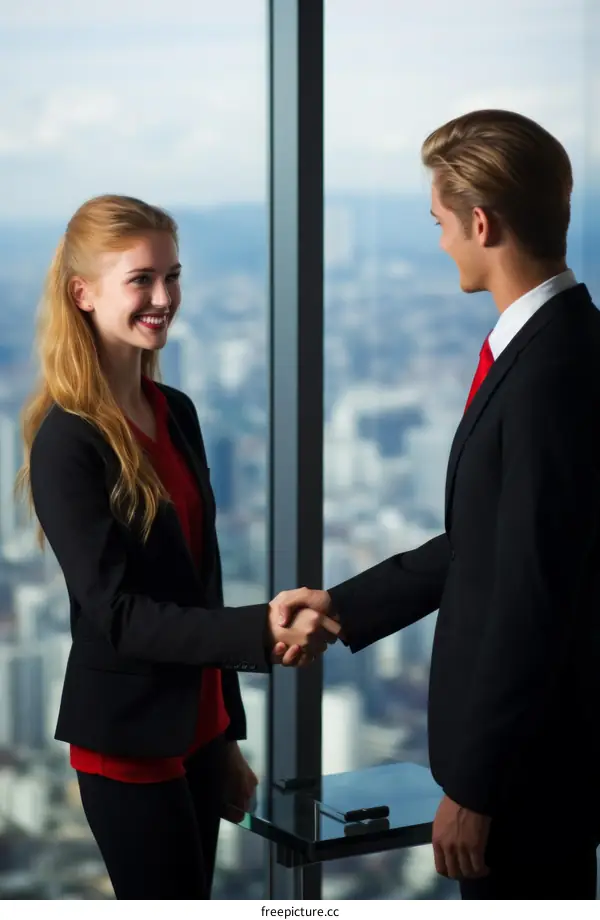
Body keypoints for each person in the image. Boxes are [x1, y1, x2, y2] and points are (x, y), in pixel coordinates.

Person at [274, 109, 600, 899]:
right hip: (530, 770)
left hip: (524, 782)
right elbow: (480, 544)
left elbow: (534, 595)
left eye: (440, 222)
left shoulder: (551, 370)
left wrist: (479, 788)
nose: (441, 240)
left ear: (481, 222)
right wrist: (344, 606)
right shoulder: (551, 345)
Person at [17, 194, 338, 900]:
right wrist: (259, 627)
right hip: (129, 741)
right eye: (141, 279)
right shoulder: (67, 440)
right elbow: (120, 615)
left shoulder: (177, 412)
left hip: (198, 729)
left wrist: (224, 735)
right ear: (84, 294)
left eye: (173, 276)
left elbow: (201, 582)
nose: (164, 298)